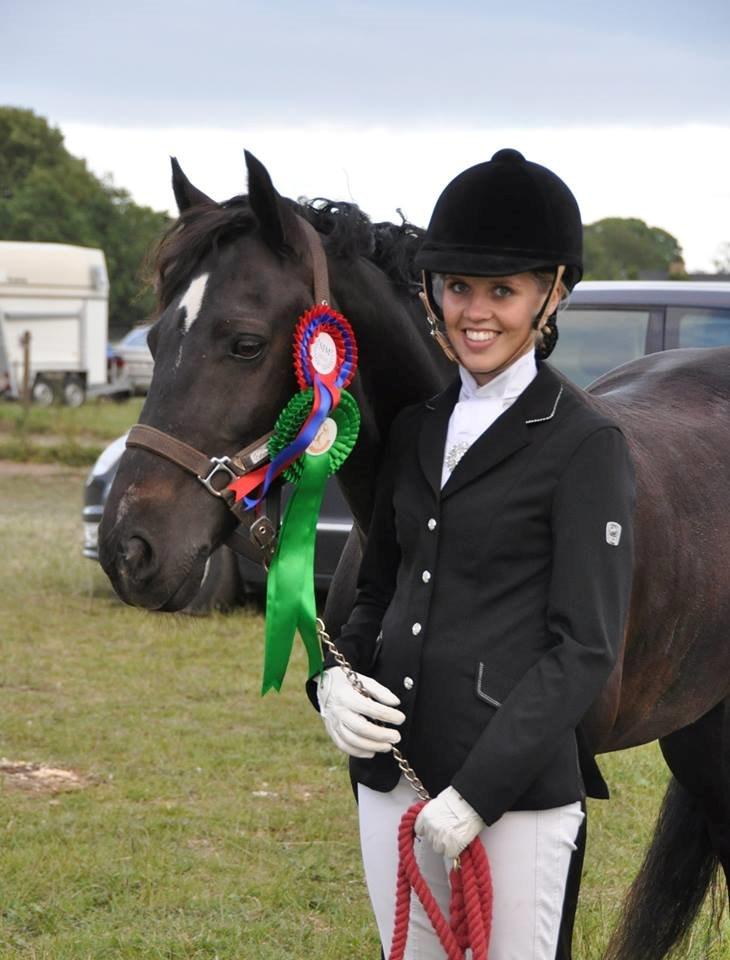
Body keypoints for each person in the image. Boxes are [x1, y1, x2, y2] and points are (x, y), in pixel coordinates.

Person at [312, 148, 636, 960]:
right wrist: (333, 680)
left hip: (512, 803)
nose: (475, 312)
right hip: (391, 781)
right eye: (458, 287)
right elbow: (378, 586)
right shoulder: (417, 427)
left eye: (503, 290)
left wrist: (477, 796)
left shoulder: (585, 441)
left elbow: (584, 647)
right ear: (432, 293)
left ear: (551, 294)